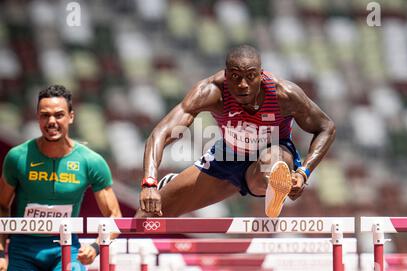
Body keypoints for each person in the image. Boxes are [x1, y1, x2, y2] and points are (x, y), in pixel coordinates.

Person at [138, 45, 335, 218]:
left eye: (250, 76)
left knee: (271, 161)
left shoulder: (284, 95)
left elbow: (326, 128)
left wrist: (304, 172)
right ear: (226, 74)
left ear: (261, 74)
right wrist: (149, 183)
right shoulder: (212, 91)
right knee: (148, 215)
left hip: (273, 152)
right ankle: (171, 185)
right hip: (227, 156)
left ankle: (275, 187)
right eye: (235, 76)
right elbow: (160, 133)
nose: (243, 85)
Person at [0, 85, 122, 271]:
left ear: (71, 117)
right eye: (45, 115)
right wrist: (1, 253)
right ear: (37, 117)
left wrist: (94, 247)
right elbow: (1, 205)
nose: (51, 122)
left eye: (59, 115)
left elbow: (115, 216)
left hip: (65, 247)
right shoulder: (17, 157)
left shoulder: (90, 161)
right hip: (23, 251)